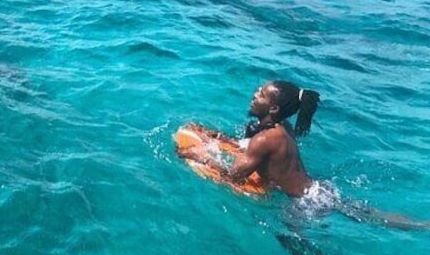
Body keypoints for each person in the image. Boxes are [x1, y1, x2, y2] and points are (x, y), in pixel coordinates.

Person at [179, 80, 429, 230]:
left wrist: (200, 157)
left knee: (303, 253)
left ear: (273, 108)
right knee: (374, 216)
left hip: (302, 204)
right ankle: (423, 226)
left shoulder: (265, 139)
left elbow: (233, 177)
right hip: (320, 191)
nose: (255, 94)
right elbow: (247, 145)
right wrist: (214, 136)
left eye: (262, 94)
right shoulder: (280, 128)